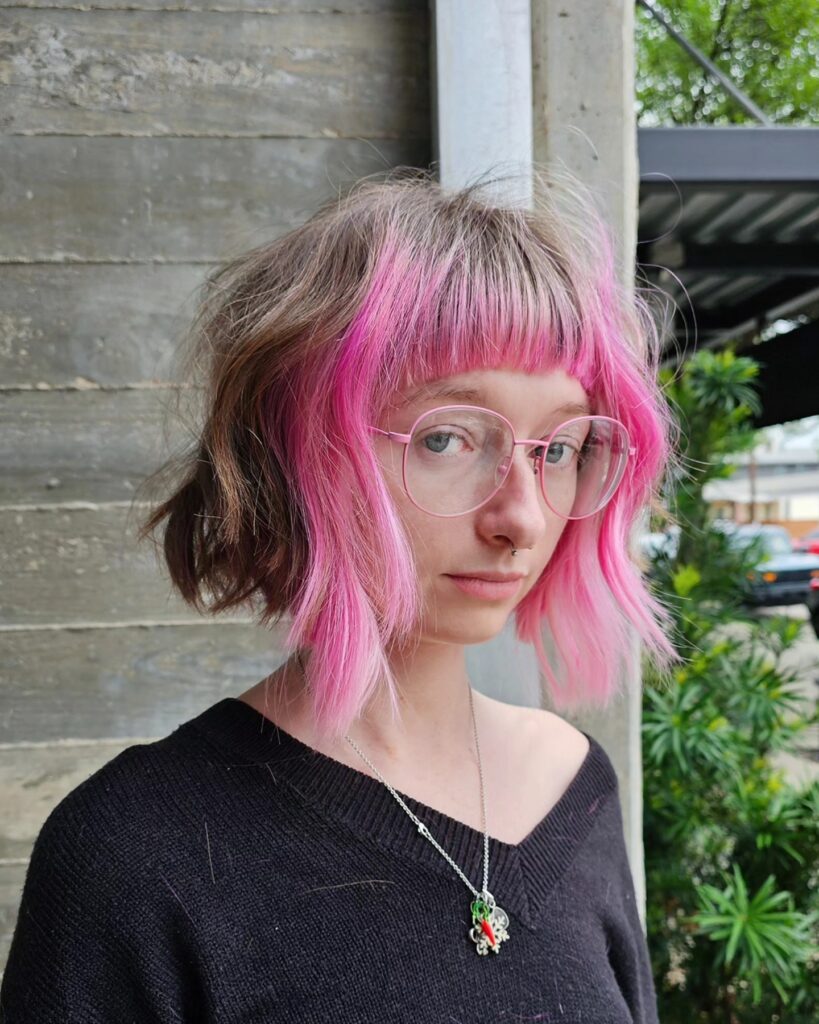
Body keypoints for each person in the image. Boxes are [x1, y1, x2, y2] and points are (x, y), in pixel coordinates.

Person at [0, 168, 680, 1022]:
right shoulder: (137, 852)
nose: (521, 517)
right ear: (296, 454)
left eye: (557, 448)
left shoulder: (574, 789)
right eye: (447, 438)